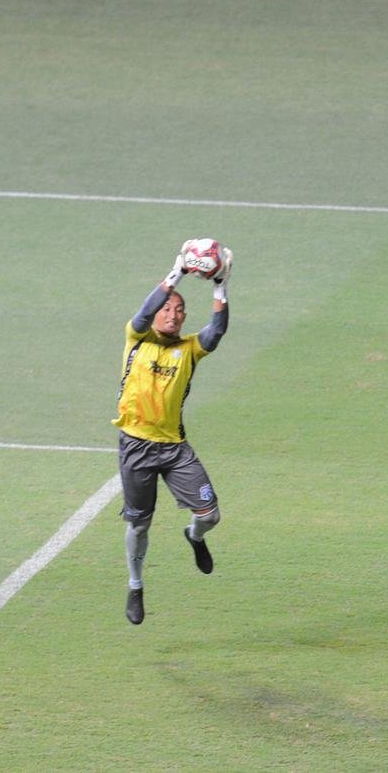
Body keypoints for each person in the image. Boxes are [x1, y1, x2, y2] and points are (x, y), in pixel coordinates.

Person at [113, 239, 233, 624]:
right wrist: (177, 272)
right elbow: (144, 311)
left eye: (180, 310)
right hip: (135, 446)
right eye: (168, 308)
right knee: (139, 523)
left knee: (211, 514)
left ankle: (194, 536)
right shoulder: (137, 338)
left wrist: (220, 284)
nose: (173, 314)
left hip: (174, 449)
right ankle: (135, 586)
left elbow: (217, 330)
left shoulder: (190, 348)